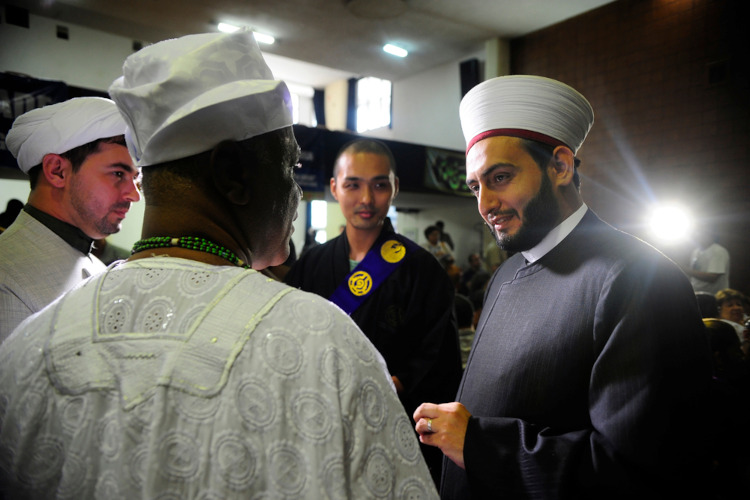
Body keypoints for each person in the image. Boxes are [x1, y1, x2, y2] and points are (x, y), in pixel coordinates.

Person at [0, 29, 438, 499]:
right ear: (234, 175)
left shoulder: (26, 350)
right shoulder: (325, 345)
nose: (296, 192)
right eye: (289, 167)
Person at [413, 75, 713, 499]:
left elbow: (639, 470)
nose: (484, 206)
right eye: (475, 187)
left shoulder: (638, 279)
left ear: (560, 166)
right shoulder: (505, 273)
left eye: (499, 177)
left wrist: (480, 445)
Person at [285, 138, 462, 486]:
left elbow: (439, 354)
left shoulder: (423, 270)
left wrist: (402, 381)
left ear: (395, 188)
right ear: (335, 188)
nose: (366, 199)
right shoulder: (312, 264)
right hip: (321, 418)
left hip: (393, 424)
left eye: (380, 185)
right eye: (353, 185)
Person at [0, 97, 140, 342]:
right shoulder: (6, 278)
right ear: (57, 171)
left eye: (136, 180)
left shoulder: (94, 264)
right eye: (118, 174)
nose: (134, 195)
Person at [682, 229, 730, 295]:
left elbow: (712, 277)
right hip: (696, 293)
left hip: (713, 296)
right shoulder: (696, 251)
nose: (697, 236)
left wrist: (685, 269)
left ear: (710, 236)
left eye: (700, 234)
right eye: (696, 234)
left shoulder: (718, 251)